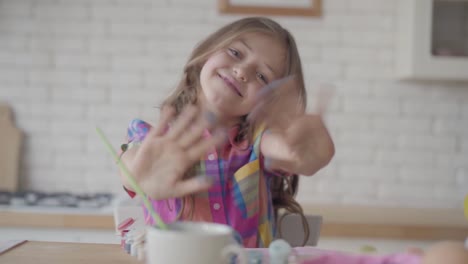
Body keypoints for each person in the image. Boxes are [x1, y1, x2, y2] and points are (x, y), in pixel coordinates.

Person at [118, 16, 335, 248]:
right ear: (207, 53)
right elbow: (131, 164)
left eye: (262, 76)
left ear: (269, 102)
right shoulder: (156, 140)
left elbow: (291, 152)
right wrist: (138, 175)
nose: (242, 71)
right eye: (235, 53)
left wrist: (308, 152)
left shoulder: (258, 143)